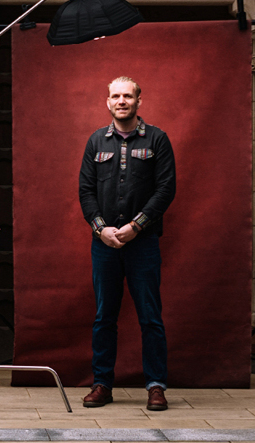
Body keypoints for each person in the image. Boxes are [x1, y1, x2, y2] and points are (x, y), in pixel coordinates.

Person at [78, 76, 176, 411]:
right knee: (105, 316)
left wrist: (136, 227)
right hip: (103, 245)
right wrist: (101, 229)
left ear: (139, 101)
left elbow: (166, 190)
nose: (122, 101)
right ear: (108, 102)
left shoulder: (158, 140)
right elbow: (85, 192)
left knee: (150, 316)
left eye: (128, 96)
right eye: (116, 96)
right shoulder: (96, 142)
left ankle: (156, 386)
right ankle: (102, 384)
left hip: (143, 243)